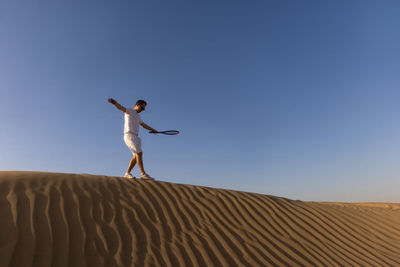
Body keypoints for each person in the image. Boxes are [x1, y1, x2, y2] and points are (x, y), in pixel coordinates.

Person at [108, 98, 158, 180]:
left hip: (136, 137)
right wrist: (115, 103)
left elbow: (144, 125)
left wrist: (152, 130)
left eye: (144, 109)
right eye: (142, 108)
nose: (143, 110)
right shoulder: (129, 111)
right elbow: (121, 107)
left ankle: (127, 173)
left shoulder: (138, 116)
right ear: (137, 105)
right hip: (129, 135)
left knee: (136, 156)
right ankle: (143, 174)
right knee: (139, 153)